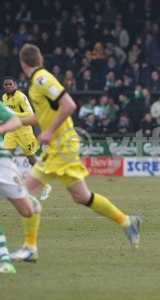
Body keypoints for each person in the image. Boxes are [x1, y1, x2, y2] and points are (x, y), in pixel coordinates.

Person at [10, 43, 141, 262]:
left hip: (61, 144)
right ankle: (127, 222)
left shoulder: (42, 79)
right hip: (62, 145)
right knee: (82, 196)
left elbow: (69, 105)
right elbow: (40, 117)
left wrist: (49, 131)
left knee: (25, 192)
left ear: (23, 63)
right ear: (39, 58)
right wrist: (12, 121)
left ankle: (30, 247)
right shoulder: (36, 82)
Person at [0, 100, 42, 273]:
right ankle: (4, 260)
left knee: (28, 210)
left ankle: (30, 247)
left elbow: (15, 121)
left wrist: (1, 129)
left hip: (2, 164)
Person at [2, 77, 52, 201]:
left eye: (10, 84)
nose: (8, 86)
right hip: (12, 131)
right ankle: (11, 186)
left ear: (15, 85)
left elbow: (30, 114)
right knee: (4, 156)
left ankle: (46, 185)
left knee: (31, 159)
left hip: (25, 131)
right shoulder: (4, 98)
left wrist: (13, 115)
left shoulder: (20, 97)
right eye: (6, 84)